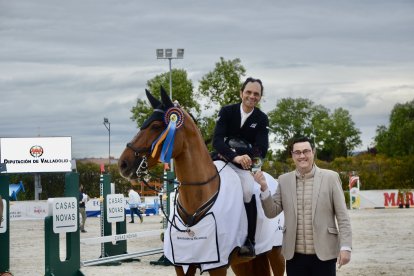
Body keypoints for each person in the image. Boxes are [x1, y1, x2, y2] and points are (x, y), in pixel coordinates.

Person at [255, 136, 352, 275]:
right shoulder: (284, 180)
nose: (302, 156)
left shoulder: (331, 177)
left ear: (313, 152)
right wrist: (264, 188)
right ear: (292, 155)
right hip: (294, 257)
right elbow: (271, 212)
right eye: (297, 152)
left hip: (325, 254)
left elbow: (343, 217)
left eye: (306, 151)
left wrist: (346, 247)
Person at [212, 77, 269, 257]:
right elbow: (217, 141)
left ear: (260, 97)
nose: (252, 96)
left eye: (256, 94)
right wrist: (235, 155)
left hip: (245, 165)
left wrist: (251, 165)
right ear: (241, 93)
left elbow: (262, 149)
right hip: (223, 158)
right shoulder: (227, 111)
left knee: (247, 191)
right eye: (249, 92)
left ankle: (249, 240)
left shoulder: (261, 118)